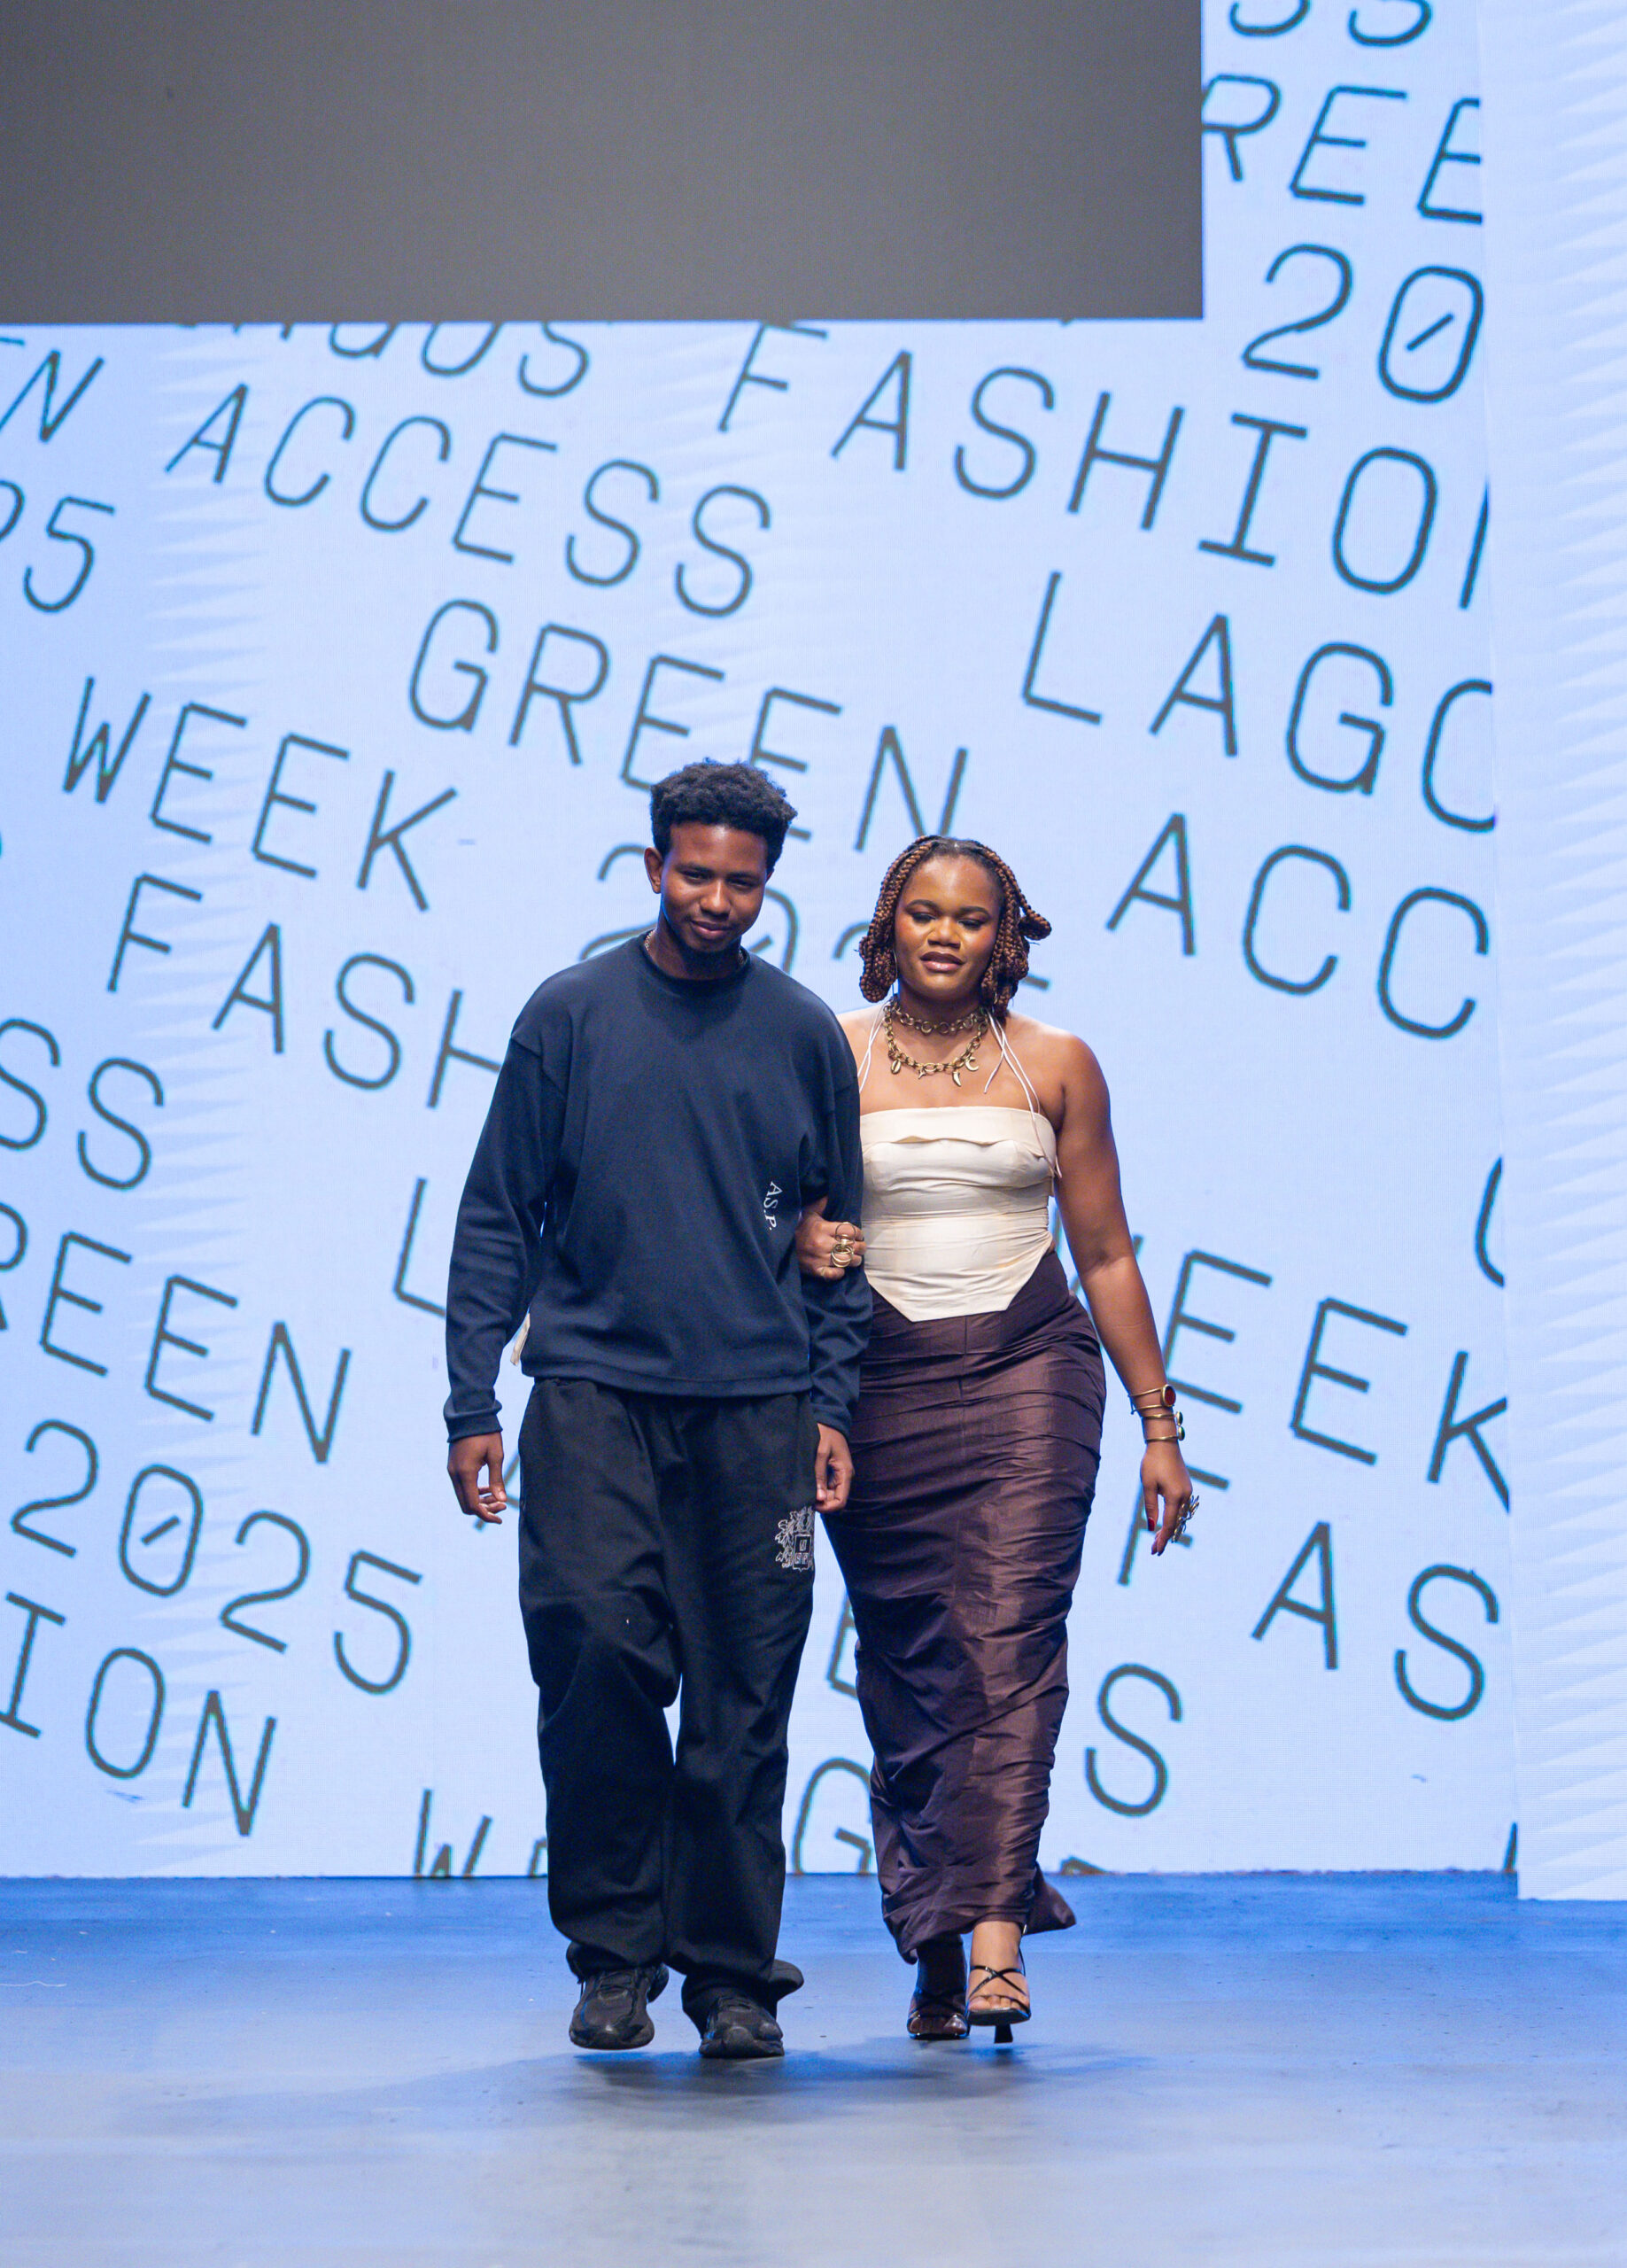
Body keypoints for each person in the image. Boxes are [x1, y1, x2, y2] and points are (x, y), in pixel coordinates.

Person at [443, 760, 868, 2061]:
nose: (716, 901)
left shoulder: (802, 1033)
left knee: (745, 1697)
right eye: (695, 875)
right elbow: (496, 1213)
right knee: (596, 1665)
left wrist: (832, 1401)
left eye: (742, 882)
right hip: (591, 1402)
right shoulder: (569, 1015)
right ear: (652, 868)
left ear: (768, 885)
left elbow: (840, 1236)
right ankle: (613, 1960)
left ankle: (732, 1977)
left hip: (757, 1413)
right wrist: (469, 1401)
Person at [796, 835, 1194, 2044]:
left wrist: (1159, 1425)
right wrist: (793, 1236)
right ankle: (930, 1937)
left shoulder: (1056, 1063)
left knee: (1009, 1643)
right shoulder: (826, 1054)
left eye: (970, 918)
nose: (944, 934)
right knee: (914, 1662)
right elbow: (766, 1206)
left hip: (1031, 1371)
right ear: (887, 925)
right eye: (923, 912)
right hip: (876, 1384)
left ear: (1002, 936)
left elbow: (1106, 1253)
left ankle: (994, 1941)